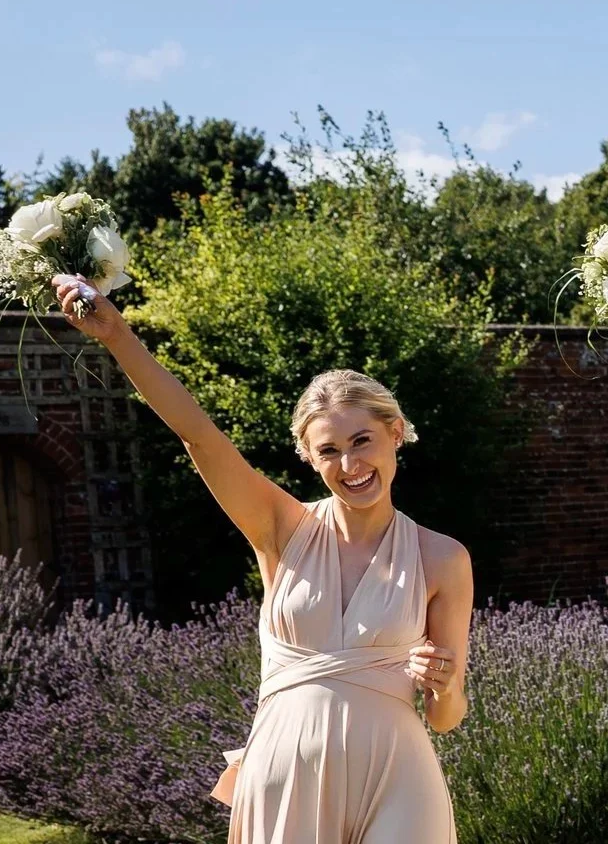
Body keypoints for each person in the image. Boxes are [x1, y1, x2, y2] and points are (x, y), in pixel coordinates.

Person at [55, 276, 467, 844]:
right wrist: (118, 336)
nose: (350, 466)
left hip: (398, 777)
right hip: (288, 769)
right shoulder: (281, 529)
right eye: (329, 451)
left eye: (362, 441)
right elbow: (199, 436)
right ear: (309, 458)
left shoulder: (442, 557)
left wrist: (443, 687)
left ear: (395, 433)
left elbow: (446, 718)